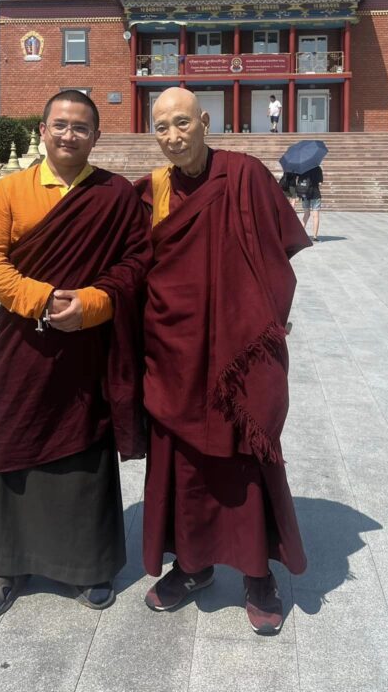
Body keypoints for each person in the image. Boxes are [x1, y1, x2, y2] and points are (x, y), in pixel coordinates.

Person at [0, 90, 150, 620]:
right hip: (25, 342)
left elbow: (138, 261)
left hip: (86, 348)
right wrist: (41, 301)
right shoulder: (11, 191)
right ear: (43, 131)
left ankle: (88, 565)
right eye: (60, 125)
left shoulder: (115, 195)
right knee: (8, 437)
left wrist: (93, 304)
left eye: (81, 127)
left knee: (83, 443)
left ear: (97, 136)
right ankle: (4, 566)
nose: (69, 135)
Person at [135, 87, 311, 635]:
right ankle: (192, 567)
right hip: (176, 352)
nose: (172, 136)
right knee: (182, 464)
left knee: (244, 456)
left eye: (182, 122)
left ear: (205, 121)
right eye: (161, 126)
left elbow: (277, 254)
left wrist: (266, 320)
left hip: (236, 350)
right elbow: (137, 265)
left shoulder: (244, 175)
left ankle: (258, 575)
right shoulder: (153, 192)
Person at [298, 164, 323, 241]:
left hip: (305, 194)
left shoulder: (302, 168)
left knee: (306, 214)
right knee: (315, 216)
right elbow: (320, 183)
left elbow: (299, 182)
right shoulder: (318, 168)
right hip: (315, 194)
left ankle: (300, 235)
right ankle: (314, 237)